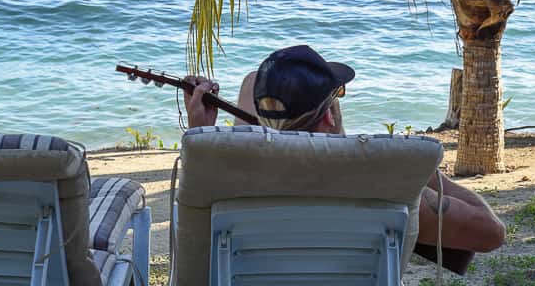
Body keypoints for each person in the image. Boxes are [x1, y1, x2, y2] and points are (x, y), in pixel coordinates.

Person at [184, 44, 505, 255]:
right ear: (328, 115)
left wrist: (202, 132)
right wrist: (422, 173)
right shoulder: (384, 183)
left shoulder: (233, 177)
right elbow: (491, 233)